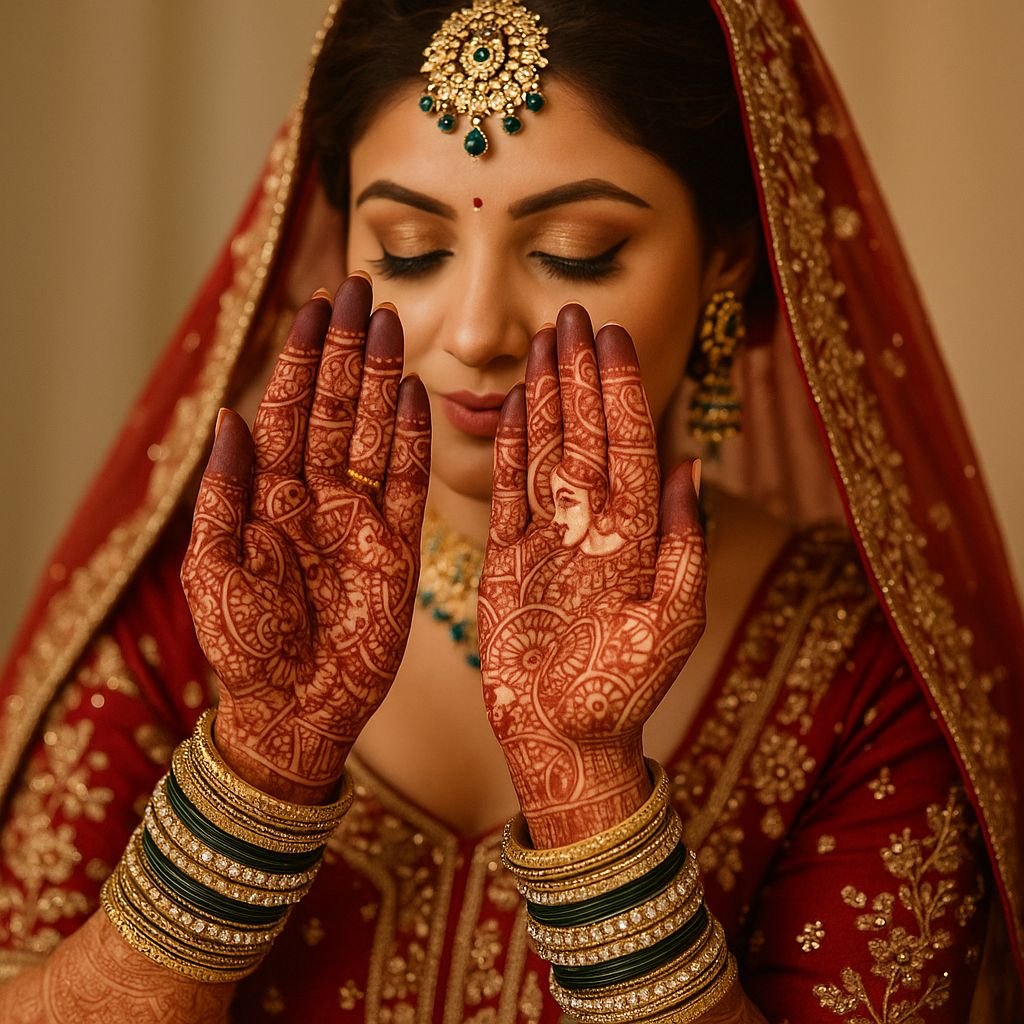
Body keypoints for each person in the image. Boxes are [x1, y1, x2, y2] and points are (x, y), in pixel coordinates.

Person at [0, 0, 1021, 1020]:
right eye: (407, 248)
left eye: (577, 250)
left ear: (729, 256)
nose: (476, 331)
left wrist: (591, 792)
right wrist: (256, 770)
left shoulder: (855, 673)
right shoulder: (220, 602)